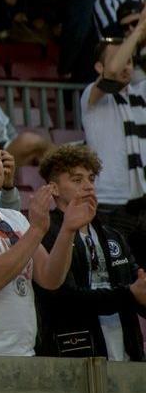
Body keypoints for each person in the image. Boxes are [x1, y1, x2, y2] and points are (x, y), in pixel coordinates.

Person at [0, 132, 93, 356]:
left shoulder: (15, 218)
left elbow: (50, 278)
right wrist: (37, 230)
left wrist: (68, 230)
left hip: (23, 352)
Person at [34, 145, 146, 361]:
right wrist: (129, 294)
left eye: (91, 179)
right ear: (54, 188)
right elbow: (63, 299)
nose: (88, 187)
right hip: (74, 354)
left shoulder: (113, 235)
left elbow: (137, 289)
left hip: (126, 350)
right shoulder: (46, 233)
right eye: (77, 180)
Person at [82, 25, 146, 267]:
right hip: (109, 206)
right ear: (99, 67)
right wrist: (138, 31)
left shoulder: (141, 93)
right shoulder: (93, 96)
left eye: (130, 60)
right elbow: (111, 72)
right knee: (117, 280)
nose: (126, 65)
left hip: (142, 204)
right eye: (121, 59)